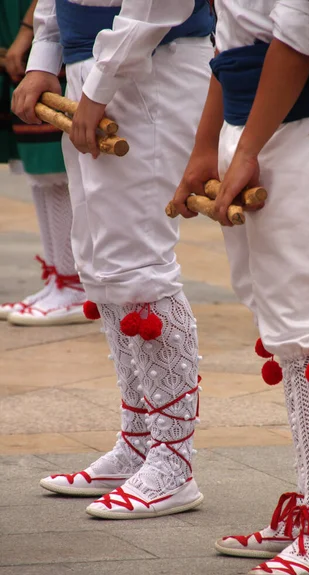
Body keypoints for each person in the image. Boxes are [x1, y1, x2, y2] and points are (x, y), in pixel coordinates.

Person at [172, 0, 309, 575]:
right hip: (251, 121)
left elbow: (303, 29)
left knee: (308, 329)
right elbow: (228, 40)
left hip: (305, 124)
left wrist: (250, 146)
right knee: (283, 326)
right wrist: (208, 146)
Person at [13, 0, 214, 518]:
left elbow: (157, 5)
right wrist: (44, 59)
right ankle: (140, 439)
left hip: (152, 64)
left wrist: (96, 88)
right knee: (100, 263)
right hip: (94, 69)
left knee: (137, 265)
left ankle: (174, 461)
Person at [0, 0, 86, 326]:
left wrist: (28, 29)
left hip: (56, 31)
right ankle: (57, 278)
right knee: (36, 166)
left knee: (53, 162)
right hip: (27, 26)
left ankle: (72, 283)